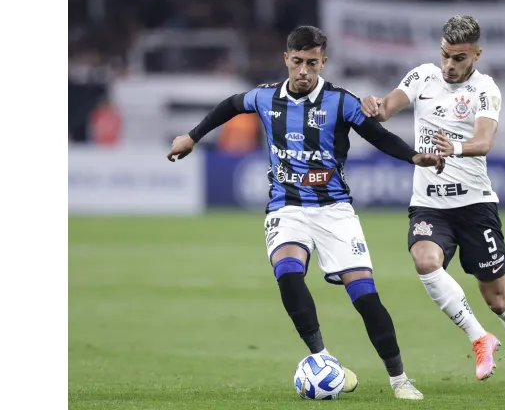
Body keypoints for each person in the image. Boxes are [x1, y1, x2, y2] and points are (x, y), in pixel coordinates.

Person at [166, 26, 441, 400]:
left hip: (335, 210)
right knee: (289, 273)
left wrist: (413, 156)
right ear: (286, 60)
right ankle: (322, 358)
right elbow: (230, 105)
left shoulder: (342, 102)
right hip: (286, 207)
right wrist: (192, 137)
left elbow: (379, 136)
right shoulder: (265, 98)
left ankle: (400, 380)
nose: (304, 71)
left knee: (365, 297)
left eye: (312, 63)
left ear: (323, 62)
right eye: (297, 62)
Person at [360, 15, 505, 394]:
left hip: (475, 206)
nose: (449, 65)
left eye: (459, 57)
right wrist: (376, 105)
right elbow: (389, 106)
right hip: (429, 204)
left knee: (497, 300)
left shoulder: (485, 89)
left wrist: (452, 148)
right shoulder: (423, 76)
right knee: (425, 260)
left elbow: (485, 140)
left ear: (477, 53)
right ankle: (479, 339)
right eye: (445, 55)